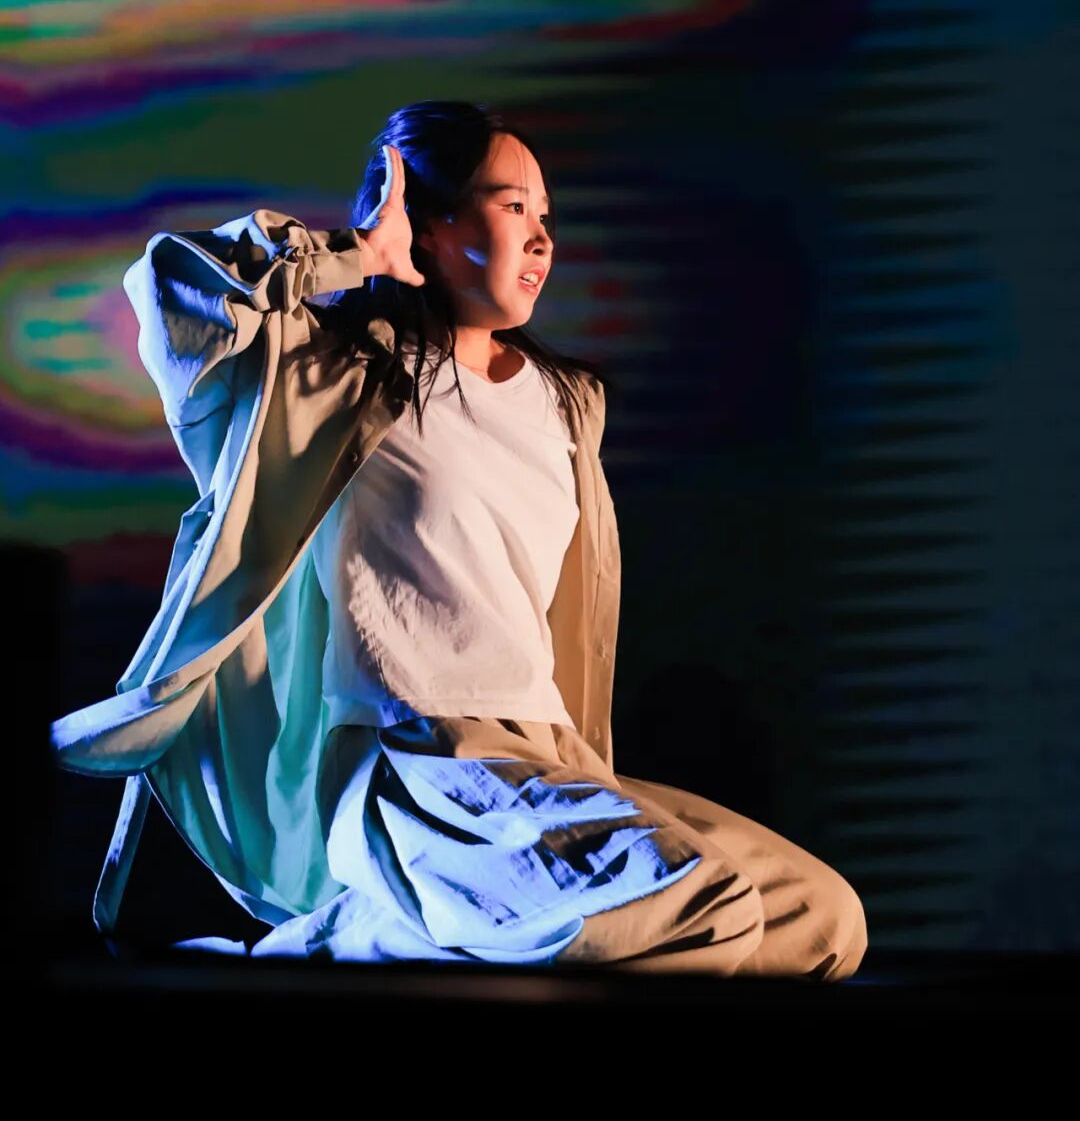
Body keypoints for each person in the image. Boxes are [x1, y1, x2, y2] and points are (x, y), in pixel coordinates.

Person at [51, 100, 868, 978]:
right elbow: (174, 286)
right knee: (699, 907)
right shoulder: (334, 374)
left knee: (823, 920)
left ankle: (391, 927)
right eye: (513, 206)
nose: (543, 237)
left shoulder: (566, 404)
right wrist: (357, 253)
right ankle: (329, 945)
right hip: (421, 758)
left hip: (548, 755)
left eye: (546, 214)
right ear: (431, 226)